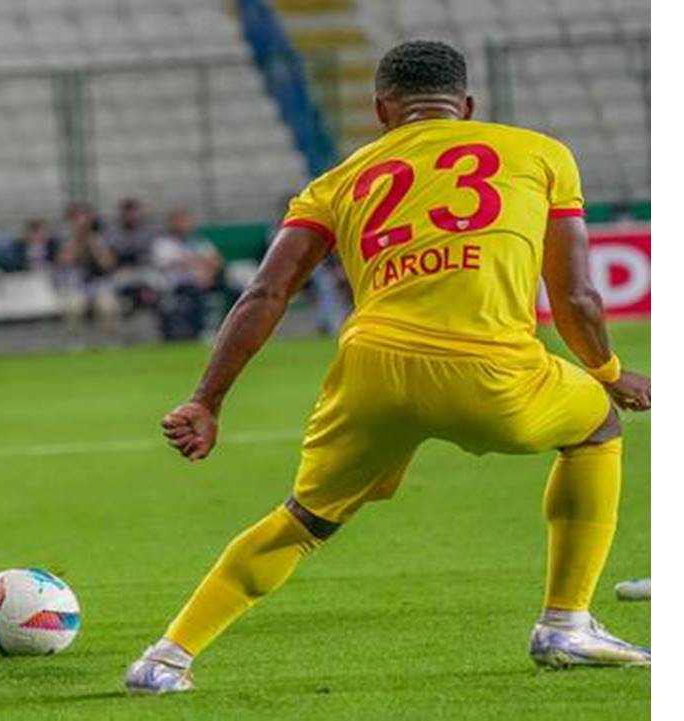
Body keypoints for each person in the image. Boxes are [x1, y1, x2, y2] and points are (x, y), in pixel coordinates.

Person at [125, 39, 650, 695]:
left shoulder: (337, 179)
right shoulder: (540, 152)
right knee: (595, 425)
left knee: (304, 519)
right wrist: (607, 370)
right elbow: (575, 297)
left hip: (371, 367)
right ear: (467, 105)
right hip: (491, 369)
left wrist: (207, 399)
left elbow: (266, 293)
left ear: (382, 111)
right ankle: (565, 622)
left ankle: (166, 657)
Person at [150, 209, 223, 341]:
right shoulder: (164, 243)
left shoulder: (199, 241)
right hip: (178, 285)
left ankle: (228, 329)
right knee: (195, 292)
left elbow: (216, 261)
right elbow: (174, 264)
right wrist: (199, 262)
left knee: (232, 289)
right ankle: (201, 331)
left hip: (205, 280)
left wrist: (208, 274)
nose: (184, 225)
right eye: (180, 222)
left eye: (187, 221)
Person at [56, 202, 119, 341]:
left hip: (99, 283)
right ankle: (75, 342)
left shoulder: (102, 238)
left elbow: (108, 264)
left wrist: (92, 243)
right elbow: (64, 261)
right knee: (73, 307)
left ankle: (110, 341)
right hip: (74, 285)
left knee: (107, 306)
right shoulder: (65, 240)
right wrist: (78, 242)